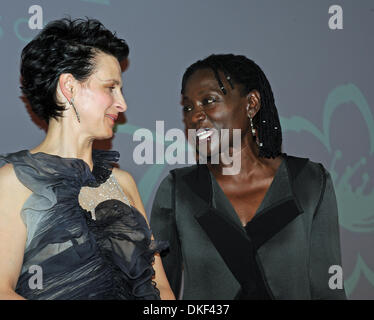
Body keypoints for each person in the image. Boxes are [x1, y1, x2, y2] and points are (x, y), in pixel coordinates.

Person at [0, 18, 175, 300]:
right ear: (69, 87)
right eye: (110, 87)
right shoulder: (13, 182)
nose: (122, 103)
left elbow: (160, 287)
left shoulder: (124, 183)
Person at [150, 54, 347, 300]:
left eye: (209, 101)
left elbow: (328, 292)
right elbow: (156, 296)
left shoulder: (309, 182)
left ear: (251, 104)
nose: (194, 117)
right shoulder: (178, 190)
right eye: (188, 107)